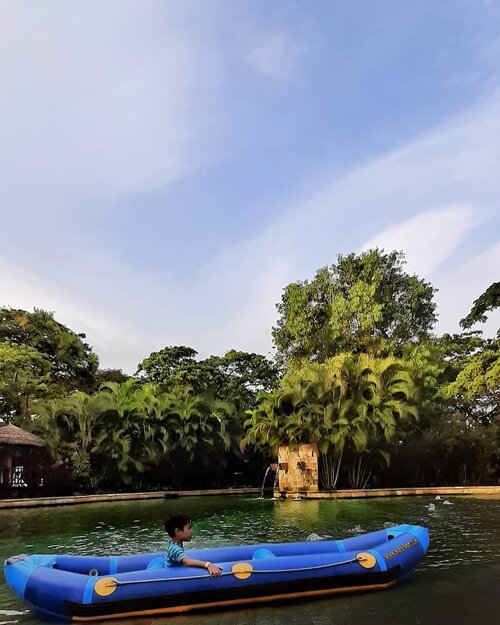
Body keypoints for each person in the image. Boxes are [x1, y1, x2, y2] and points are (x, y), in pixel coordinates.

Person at [164, 512, 222, 577]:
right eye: (189, 528)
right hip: (170, 575)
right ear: (178, 531)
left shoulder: (173, 543)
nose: (191, 531)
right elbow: (187, 562)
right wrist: (208, 565)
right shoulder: (174, 548)